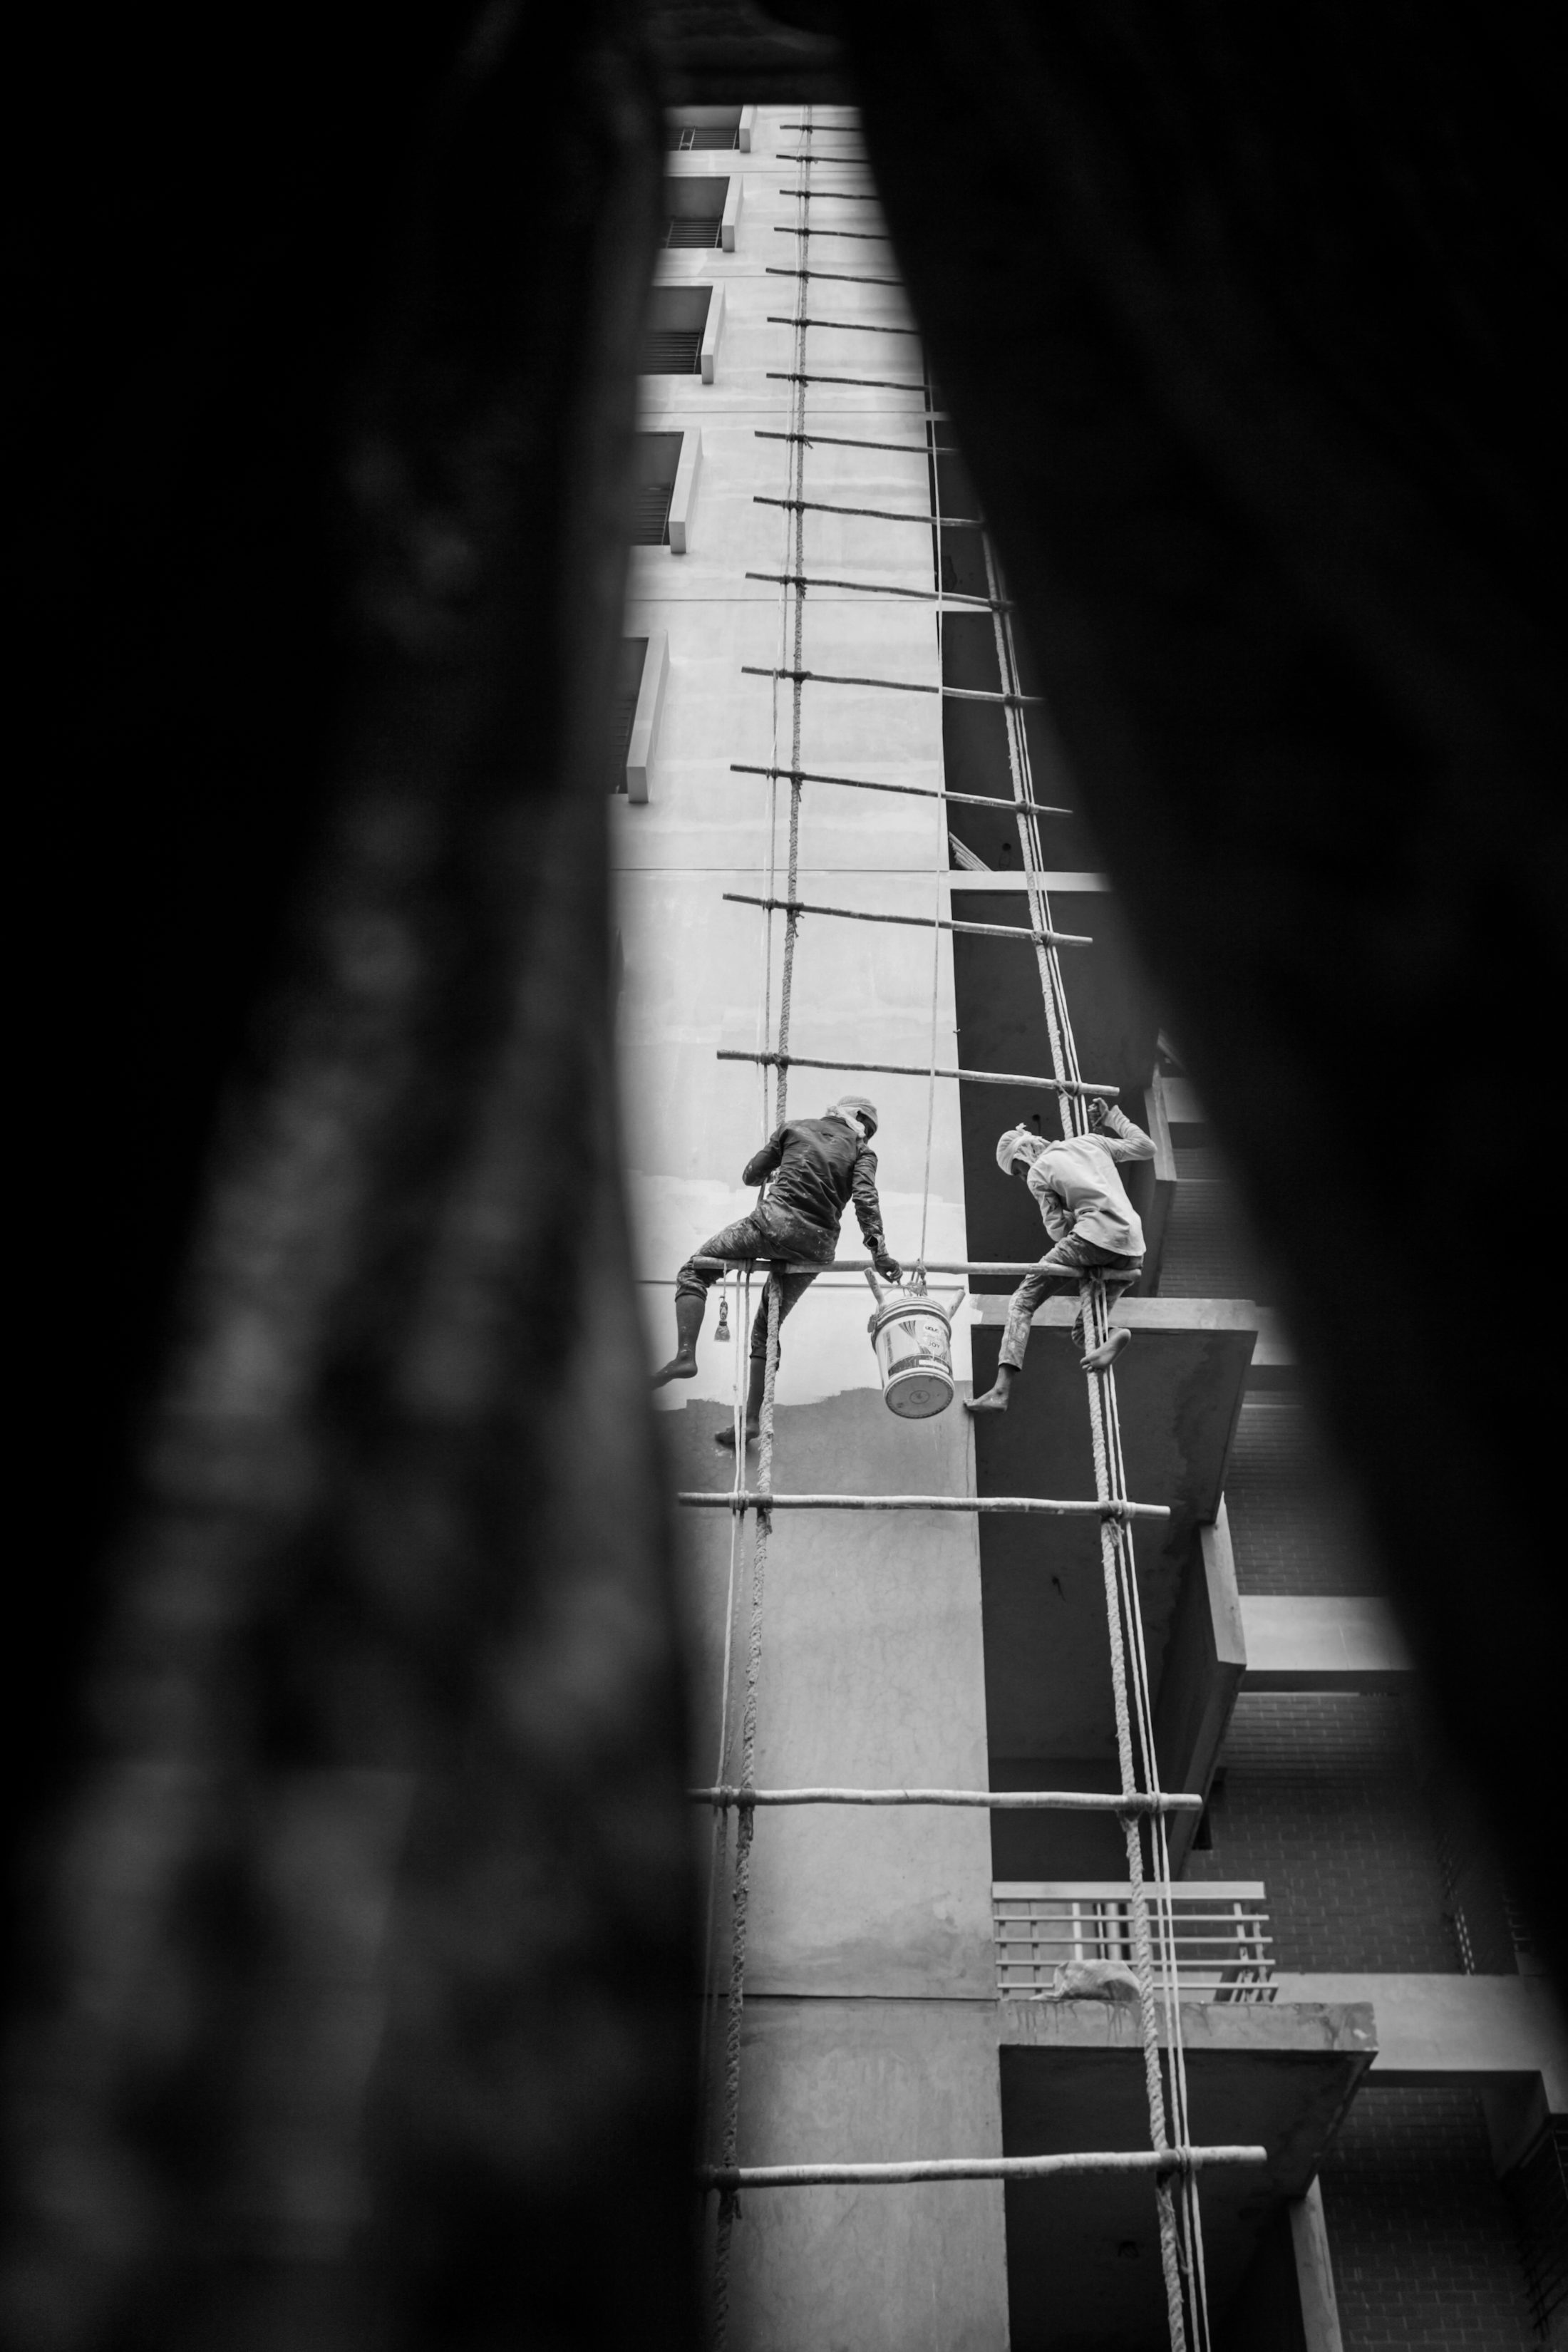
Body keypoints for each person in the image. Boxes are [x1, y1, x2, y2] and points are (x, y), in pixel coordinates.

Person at [652, 1096, 901, 1446]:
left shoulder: (794, 1128)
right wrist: (880, 1252)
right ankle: (751, 1421)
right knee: (767, 1329)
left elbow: (751, 1176)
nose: (868, 1137)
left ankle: (685, 1356)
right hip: (815, 1248)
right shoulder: (863, 1152)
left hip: (770, 1226)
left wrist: (779, 1165)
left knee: (695, 1271)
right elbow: (865, 1197)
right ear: (860, 1121)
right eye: (869, 1130)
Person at [966, 1098, 1155, 1413]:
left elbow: (1057, 1231)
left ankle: (1000, 1391)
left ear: (1024, 1154)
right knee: (1086, 1334)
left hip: (1093, 1239)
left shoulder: (1038, 1171)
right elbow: (1145, 1147)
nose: (1021, 1176)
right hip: (1132, 1248)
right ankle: (1114, 1334)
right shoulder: (1092, 1142)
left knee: (1023, 1300)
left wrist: (1071, 1207)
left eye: (1017, 1170)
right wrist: (1113, 1117)